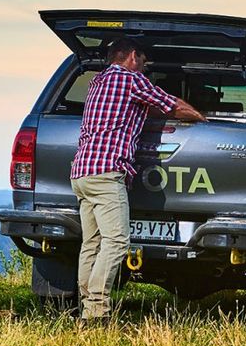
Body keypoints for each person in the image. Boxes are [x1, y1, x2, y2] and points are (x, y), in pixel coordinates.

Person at [70, 37, 204, 323]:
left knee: (91, 243)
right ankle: (97, 313)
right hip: (106, 173)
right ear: (132, 56)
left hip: (82, 172)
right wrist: (200, 117)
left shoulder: (98, 82)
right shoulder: (130, 80)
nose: (145, 68)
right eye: (144, 62)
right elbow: (172, 106)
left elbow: (139, 108)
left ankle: (86, 306)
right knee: (117, 242)